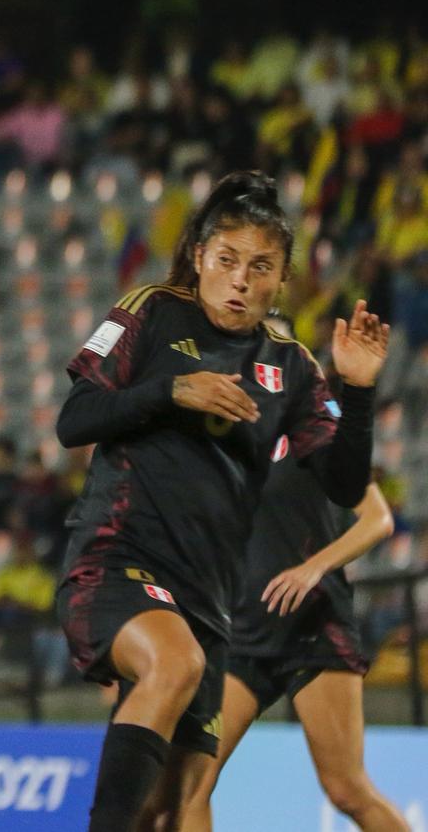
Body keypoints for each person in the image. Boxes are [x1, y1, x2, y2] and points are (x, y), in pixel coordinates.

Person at [53, 171, 389, 831]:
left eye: (260, 267)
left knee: (170, 807)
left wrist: (359, 393)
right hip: (117, 557)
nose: (240, 280)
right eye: (227, 260)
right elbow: (75, 419)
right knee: (172, 662)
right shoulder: (152, 310)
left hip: (210, 599)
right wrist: (172, 390)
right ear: (201, 256)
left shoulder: (291, 367)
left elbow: (346, 486)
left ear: (281, 280)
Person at [181, 316, 408, 832]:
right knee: (191, 784)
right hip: (244, 630)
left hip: (313, 625)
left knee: (346, 789)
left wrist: (313, 568)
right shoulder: (220, 441)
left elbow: (377, 519)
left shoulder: (312, 423)